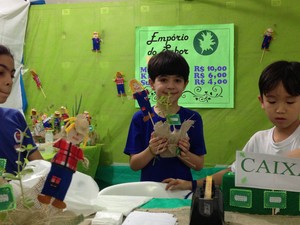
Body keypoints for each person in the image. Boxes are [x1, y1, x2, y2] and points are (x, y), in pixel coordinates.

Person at [163, 60, 300, 191]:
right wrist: (191, 185)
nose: (280, 109)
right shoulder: (259, 140)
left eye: (290, 102)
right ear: (262, 101)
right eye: (272, 101)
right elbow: (233, 173)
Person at [124, 50, 206, 182]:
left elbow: (198, 165)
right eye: (163, 80)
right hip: (149, 190)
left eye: (177, 80)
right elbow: (134, 165)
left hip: (181, 189)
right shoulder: (141, 118)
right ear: (151, 83)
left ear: (185, 84)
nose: (171, 86)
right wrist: (151, 150)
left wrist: (180, 151)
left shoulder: (192, 118)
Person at [0, 44, 43, 174]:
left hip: (19, 193)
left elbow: (40, 165)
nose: (9, 81)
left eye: (12, 75)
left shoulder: (15, 118)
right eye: (1, 73)